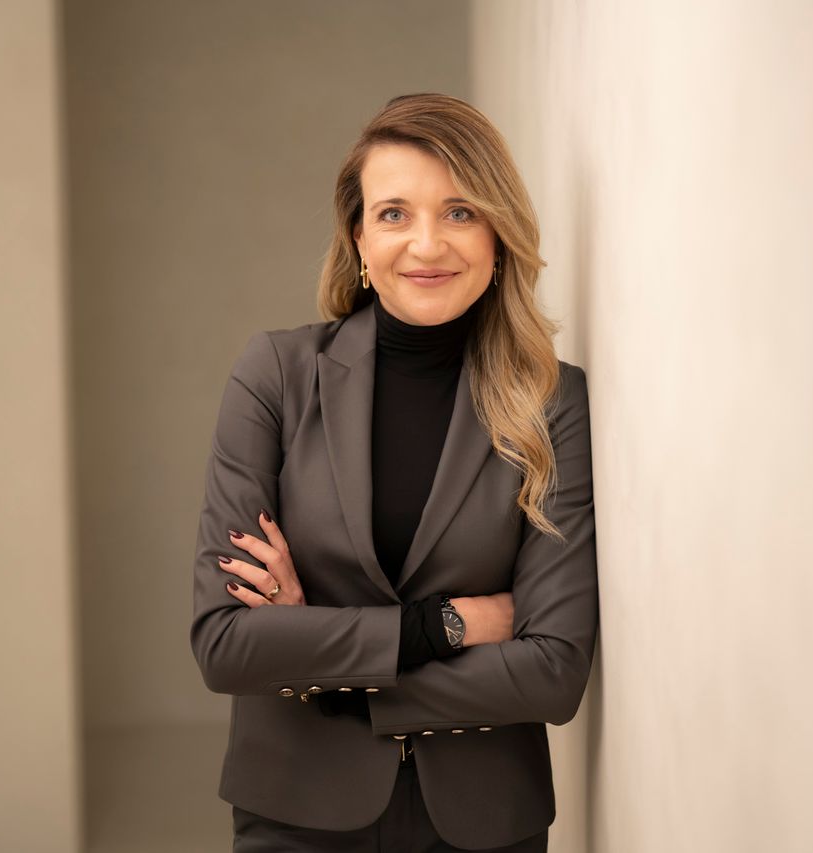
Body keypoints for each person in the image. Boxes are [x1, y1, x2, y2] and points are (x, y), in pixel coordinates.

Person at [190, 92, 598, 852]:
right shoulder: (275, 376)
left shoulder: (552, 401)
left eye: (459, 212)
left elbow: (553, 671)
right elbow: (225, 643)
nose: (427, 244)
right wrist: (447, 625)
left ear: (499, 234)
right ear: (358, 240)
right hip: (295, 815)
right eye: (394, 213)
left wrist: (324, 669)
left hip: (484, 822)